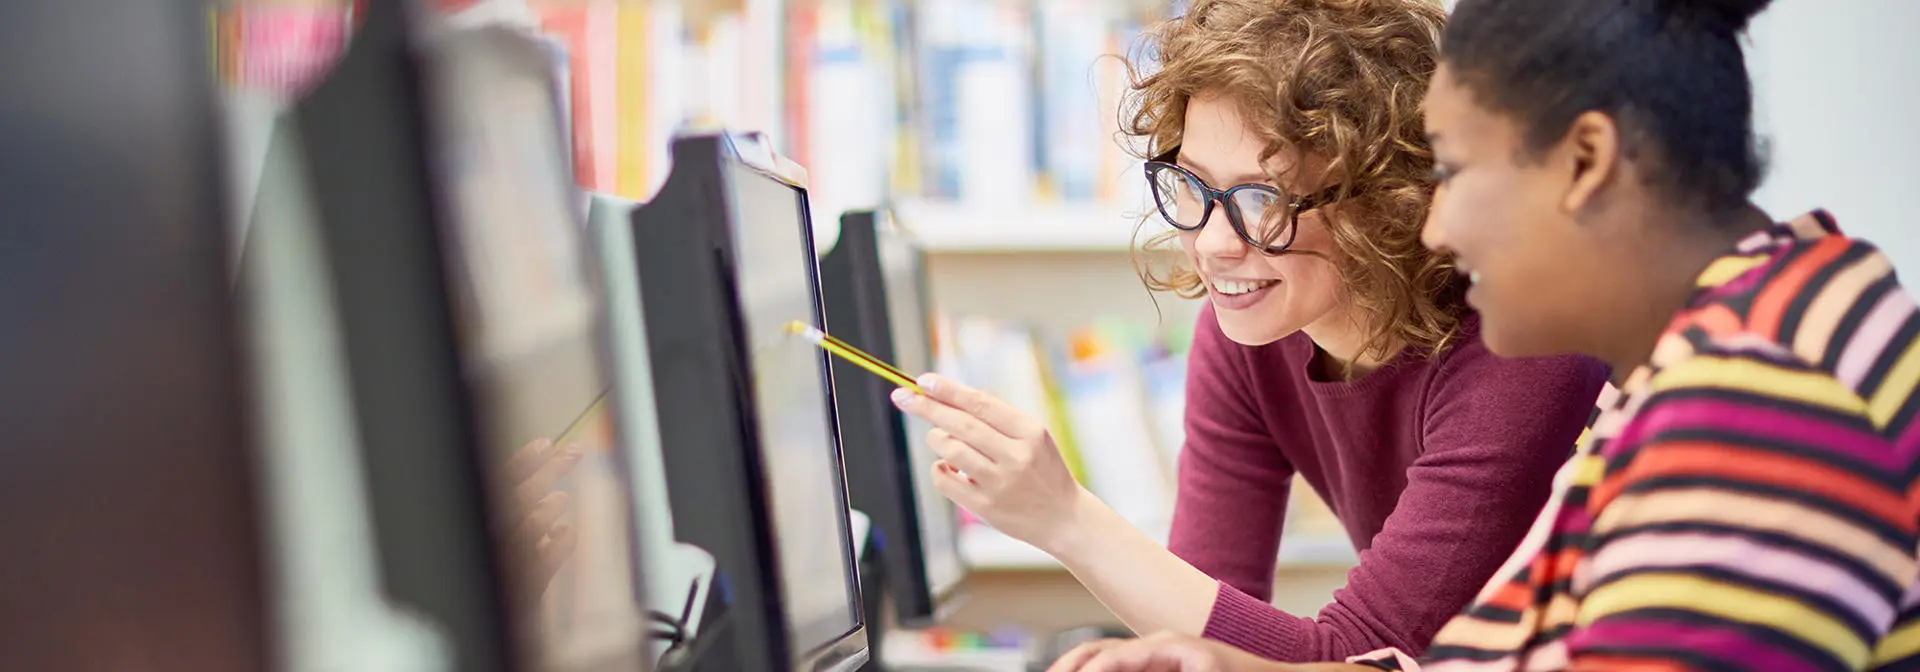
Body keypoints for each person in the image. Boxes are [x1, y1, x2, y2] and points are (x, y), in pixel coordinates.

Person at [1043, 0, 1920, 670]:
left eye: (1455, 174)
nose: (1431, 229)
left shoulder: (1760, 401)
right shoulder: (1694, 366)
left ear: (1585, 164)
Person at [890, 0, 1608, 662]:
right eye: (1194, 185)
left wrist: (1069, 520)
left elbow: (1361, 657)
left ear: (1387, 198)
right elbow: (1205, 619)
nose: (1213, 244)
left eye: (1262, 199)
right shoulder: (1247, 338)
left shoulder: (1522, 352)